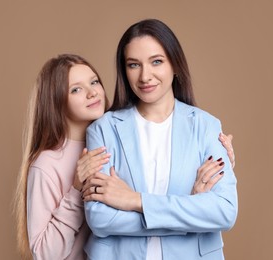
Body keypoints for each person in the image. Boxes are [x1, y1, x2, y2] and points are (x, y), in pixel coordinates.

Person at [13, 54, 235, 259]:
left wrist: (214, 167)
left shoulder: (114, 136)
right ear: (55, 101)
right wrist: (75, 191)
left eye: (94, 82)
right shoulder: (47, 164)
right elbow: (45, 253)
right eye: (76, 90)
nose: (92, 93)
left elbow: (155, 190)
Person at [82, 19, 238, 260]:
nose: (145, 76)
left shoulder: (206, 126)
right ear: (125, 71)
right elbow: (100, 219)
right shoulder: (103, 130)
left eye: (156, 61)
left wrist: (135, 200)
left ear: (175, 64)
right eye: (134, 65)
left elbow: (224, 211)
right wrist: (189, 213)